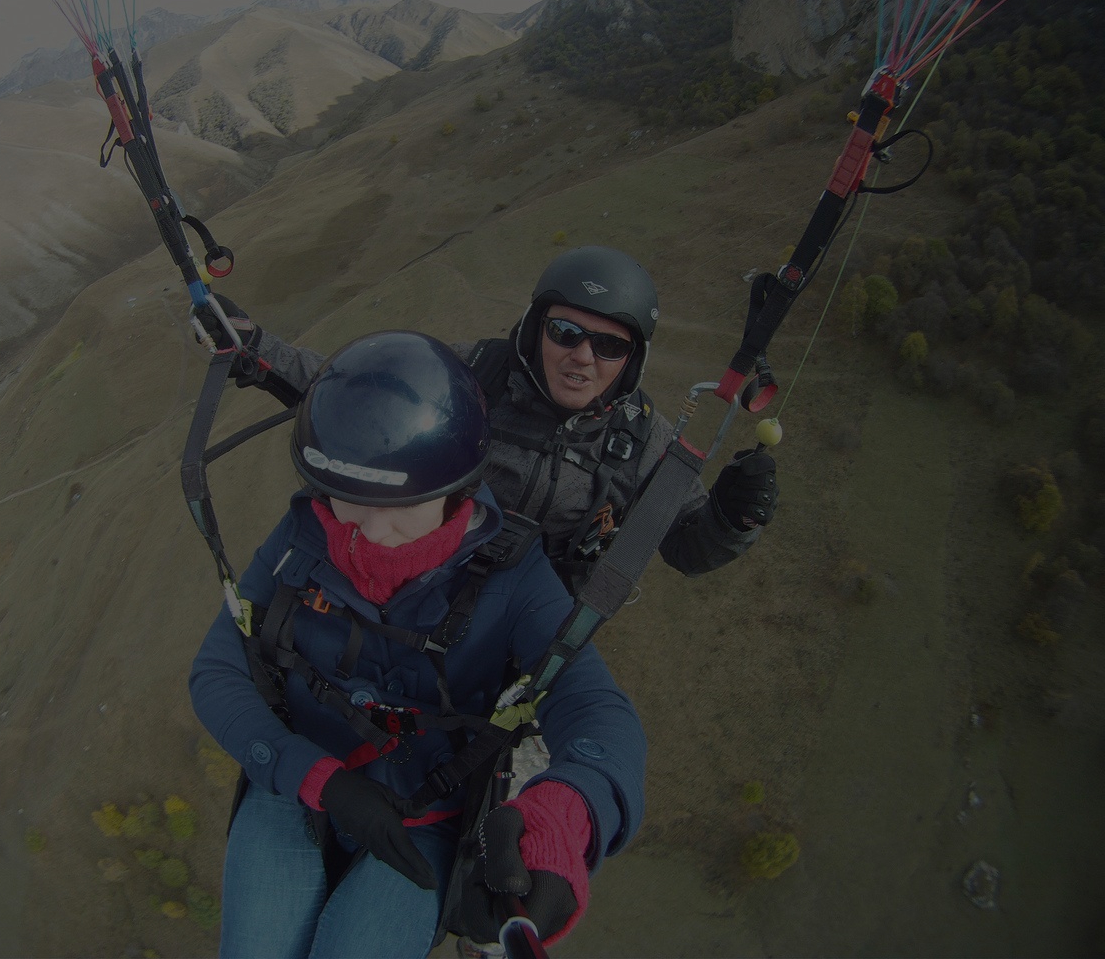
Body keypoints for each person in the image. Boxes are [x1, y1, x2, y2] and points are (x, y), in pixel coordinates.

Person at [189, 331, 646, 958]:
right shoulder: (302, 536)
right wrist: (314, 777)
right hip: (291, 787)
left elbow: (594, 708)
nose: (373, 532)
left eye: (406, 504)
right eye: (350, 499)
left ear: (458, 488)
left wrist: (568, 816)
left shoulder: (512, 577)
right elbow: (217, 668)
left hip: (426, 816)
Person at [207, 245, 779, 596]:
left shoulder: (641, 441)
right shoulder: (472, 374)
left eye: (609, 346)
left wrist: (734, 518)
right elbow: (362, 393)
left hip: (537, 623)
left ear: (631, 362)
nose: (583, 357)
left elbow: (685, 547)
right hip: (424, 581)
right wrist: (254, 351)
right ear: (536, 330)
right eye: (566, 333)